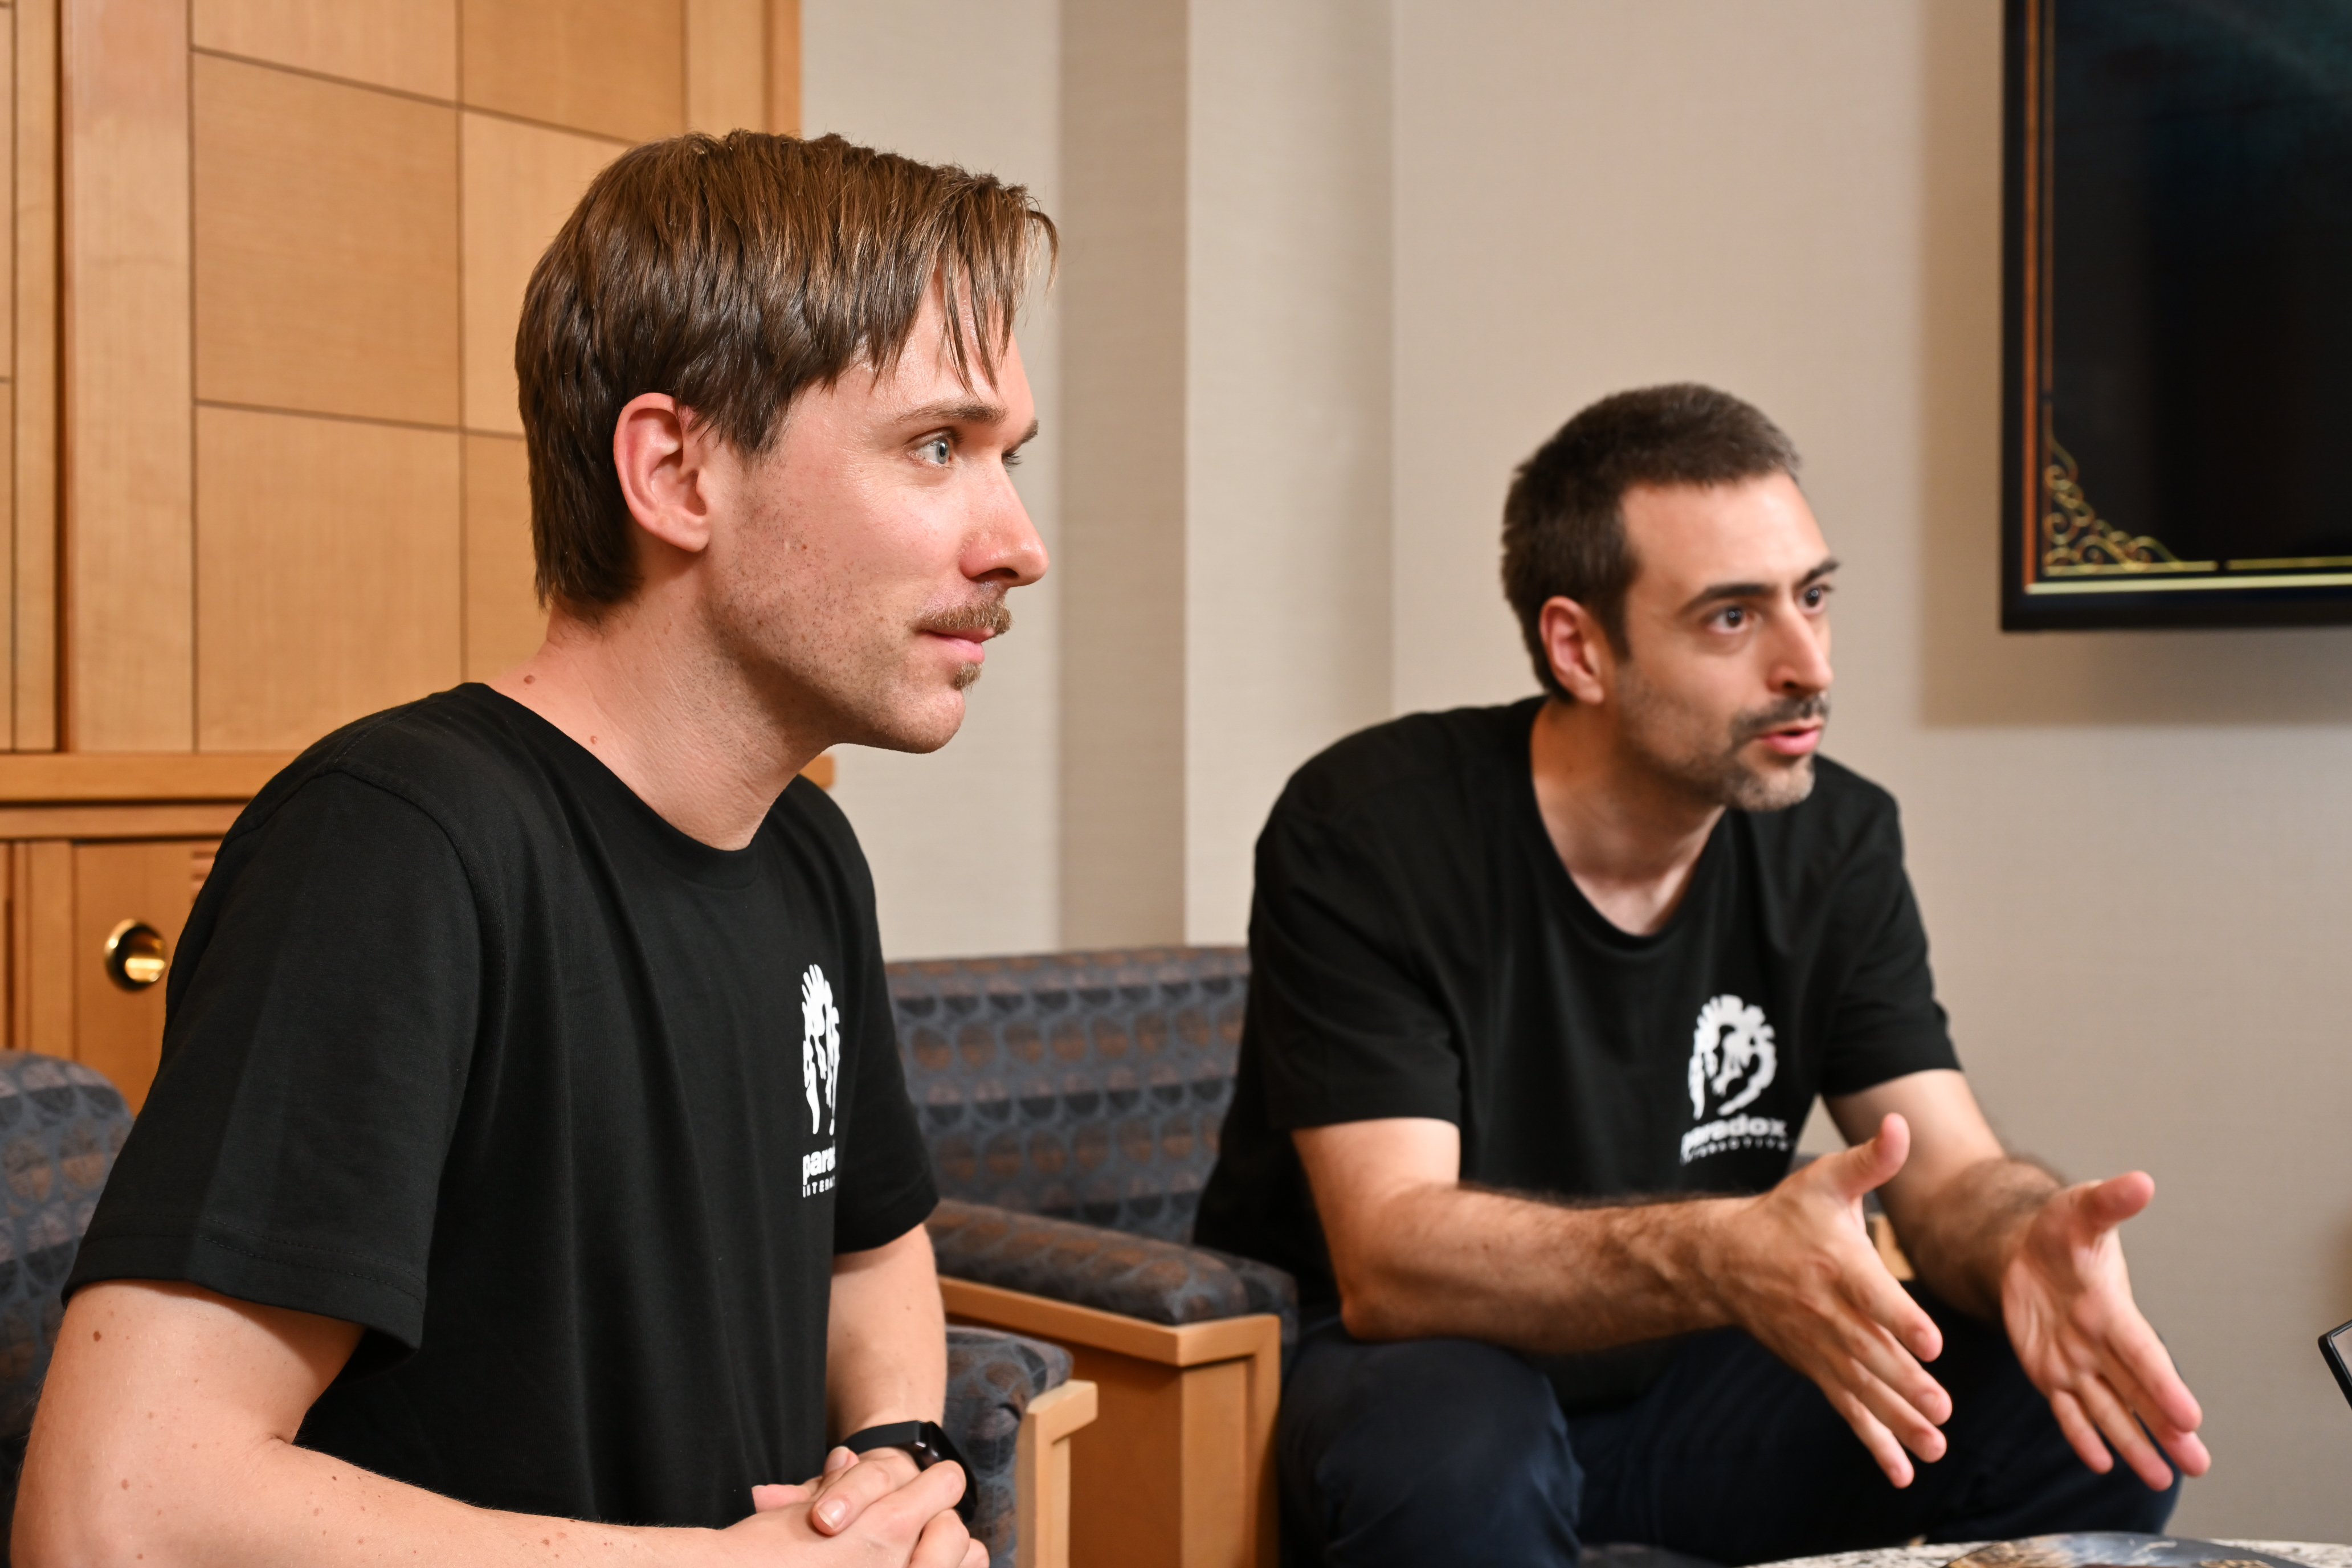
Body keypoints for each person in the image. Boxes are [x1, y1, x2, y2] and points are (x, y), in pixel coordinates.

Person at [15, 131, 1052, 1568]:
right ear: (678, 471)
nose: (1019, 543)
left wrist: (893, 1457)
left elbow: (870, 1248)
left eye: (1008, 458)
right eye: (939, 447)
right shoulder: (392, 848)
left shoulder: (809, 847)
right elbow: (112, 1510)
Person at [1193, 384, 2210, 1567]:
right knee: (1463, 1451)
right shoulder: (1372, 827)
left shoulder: (1838, 841)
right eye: (1734, 618)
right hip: (1415, 1378)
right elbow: (1390, 1259)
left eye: (1813, 597)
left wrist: (2022, 1234)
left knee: (2083, 1409)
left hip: (1685, 1392)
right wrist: (1725, 1249)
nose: (1807, 664)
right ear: (1580, 647)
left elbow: (1946, 1175)